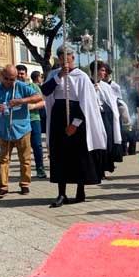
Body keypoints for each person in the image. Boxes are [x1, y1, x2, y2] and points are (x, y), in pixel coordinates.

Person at [42, 45, 107, 208]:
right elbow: (45, 91)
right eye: (61, 56)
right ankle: (61, 193)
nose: (64, 59)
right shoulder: (53, 74)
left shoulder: (82, 77)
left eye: (67, 55)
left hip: (77, 118)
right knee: (59, 155)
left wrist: (75, 124)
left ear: (73, 57)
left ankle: (80, 189)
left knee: (79, 155)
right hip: (58, 116)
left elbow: (86, 104)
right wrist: (59, 76)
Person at [0, 65, 42, 198]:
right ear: (1, 76)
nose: (10, 81)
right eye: (7, 78)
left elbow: (39, 97)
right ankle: (3, 187)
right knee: (3, 160)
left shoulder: (21, 86)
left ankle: (25, 184)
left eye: (13, 78)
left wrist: (22, 101)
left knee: (25, 159)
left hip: (22, 129)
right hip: (4, 131)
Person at [90, 60, 123, 173]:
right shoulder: (87, 83)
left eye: (104, 71)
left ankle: (105, 166)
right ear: (96, 71)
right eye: (102, 70)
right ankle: (96, 168)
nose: (104, 73)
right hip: (93, 117)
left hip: (105, 116)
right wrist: (92, 91)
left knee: (107, 141)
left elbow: (111, 101)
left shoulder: (106, 86)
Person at [26, 70, 47, 178]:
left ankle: (40, 168)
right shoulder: (12, 88)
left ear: (26, 75)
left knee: (37, 145)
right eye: (18, 73)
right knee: (23, 148)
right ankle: (25, 171)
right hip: (19, 122)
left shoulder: (33, 86)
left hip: (34, 119)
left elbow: (43, 102)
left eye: (22, 73)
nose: (20, 75)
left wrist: (33, 106)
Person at [122, 77, 139, 155]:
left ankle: (124, 151)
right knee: (132, 133)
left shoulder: (121, 91)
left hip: (122, 115)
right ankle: (132, 151)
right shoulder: (134, 91)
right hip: (132, 114)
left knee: (123, 133)